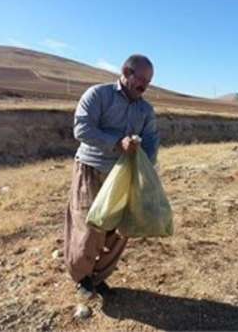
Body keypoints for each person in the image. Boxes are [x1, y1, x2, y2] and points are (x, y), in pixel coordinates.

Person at [64, 54, 159, 298]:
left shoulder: (145, 109)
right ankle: (82, 277)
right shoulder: (98, 95)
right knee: (90, 225)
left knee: (121, 229)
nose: (145, 86)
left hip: (124, 176)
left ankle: (98, 277)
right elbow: (82, 129)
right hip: (91, 168)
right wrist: (117, 143)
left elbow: (150, 141)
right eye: (142, 80)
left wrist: (146, 169)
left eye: (149, 82)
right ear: (126, 72)